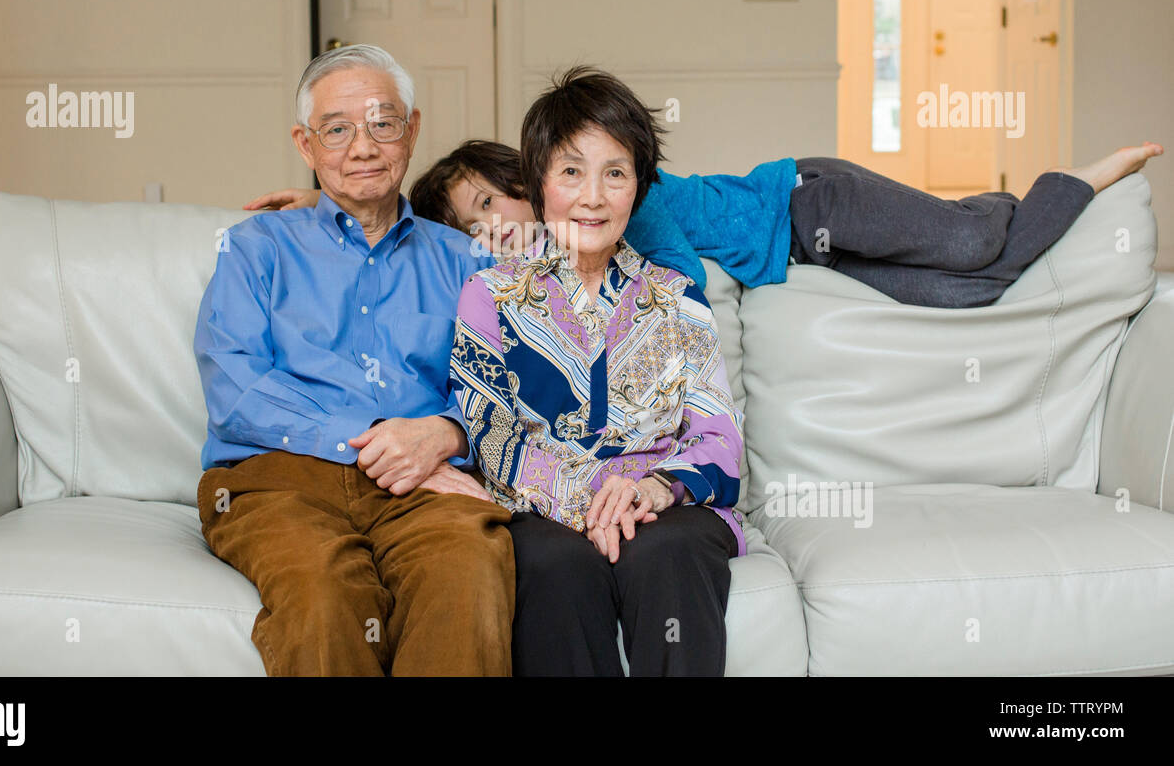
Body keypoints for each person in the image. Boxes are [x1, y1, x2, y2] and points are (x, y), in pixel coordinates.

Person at [248, 77, 1163, 309]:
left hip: (809, 203)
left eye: (498, 199)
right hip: (806, 261)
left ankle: (1072, 180)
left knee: (970, 244)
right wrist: (326, 205)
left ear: (536, 185)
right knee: (970, 290)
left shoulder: (619, 202)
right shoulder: (542, 250)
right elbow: (421, 242)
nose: (492, 224)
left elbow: (676, 281)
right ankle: (1039, 231)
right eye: (473, 219)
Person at [194, 44, 512, 676]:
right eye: (337, 130)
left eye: (382, 124)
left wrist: (446, 431)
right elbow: (235, 387)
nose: (362, 148)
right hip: (278, 479)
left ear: (412, 130)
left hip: (422, 482)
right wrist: (364, 443)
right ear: (306, 146)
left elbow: (504, 386)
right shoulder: (257, 248)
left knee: (467, 574)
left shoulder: (468, 262)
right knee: (323, 590)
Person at [450, 69, 745, 675]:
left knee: (670, 548)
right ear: (537, 185)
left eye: (616, 172)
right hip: (546, 509)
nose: (593, 196)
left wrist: (653, 489)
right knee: (553, 564)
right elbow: (490, 432)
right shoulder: (488, 295)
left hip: (660, 505)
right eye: (570, 171)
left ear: (637, 188)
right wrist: (591, 498)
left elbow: (718, 437)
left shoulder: (678, 297)